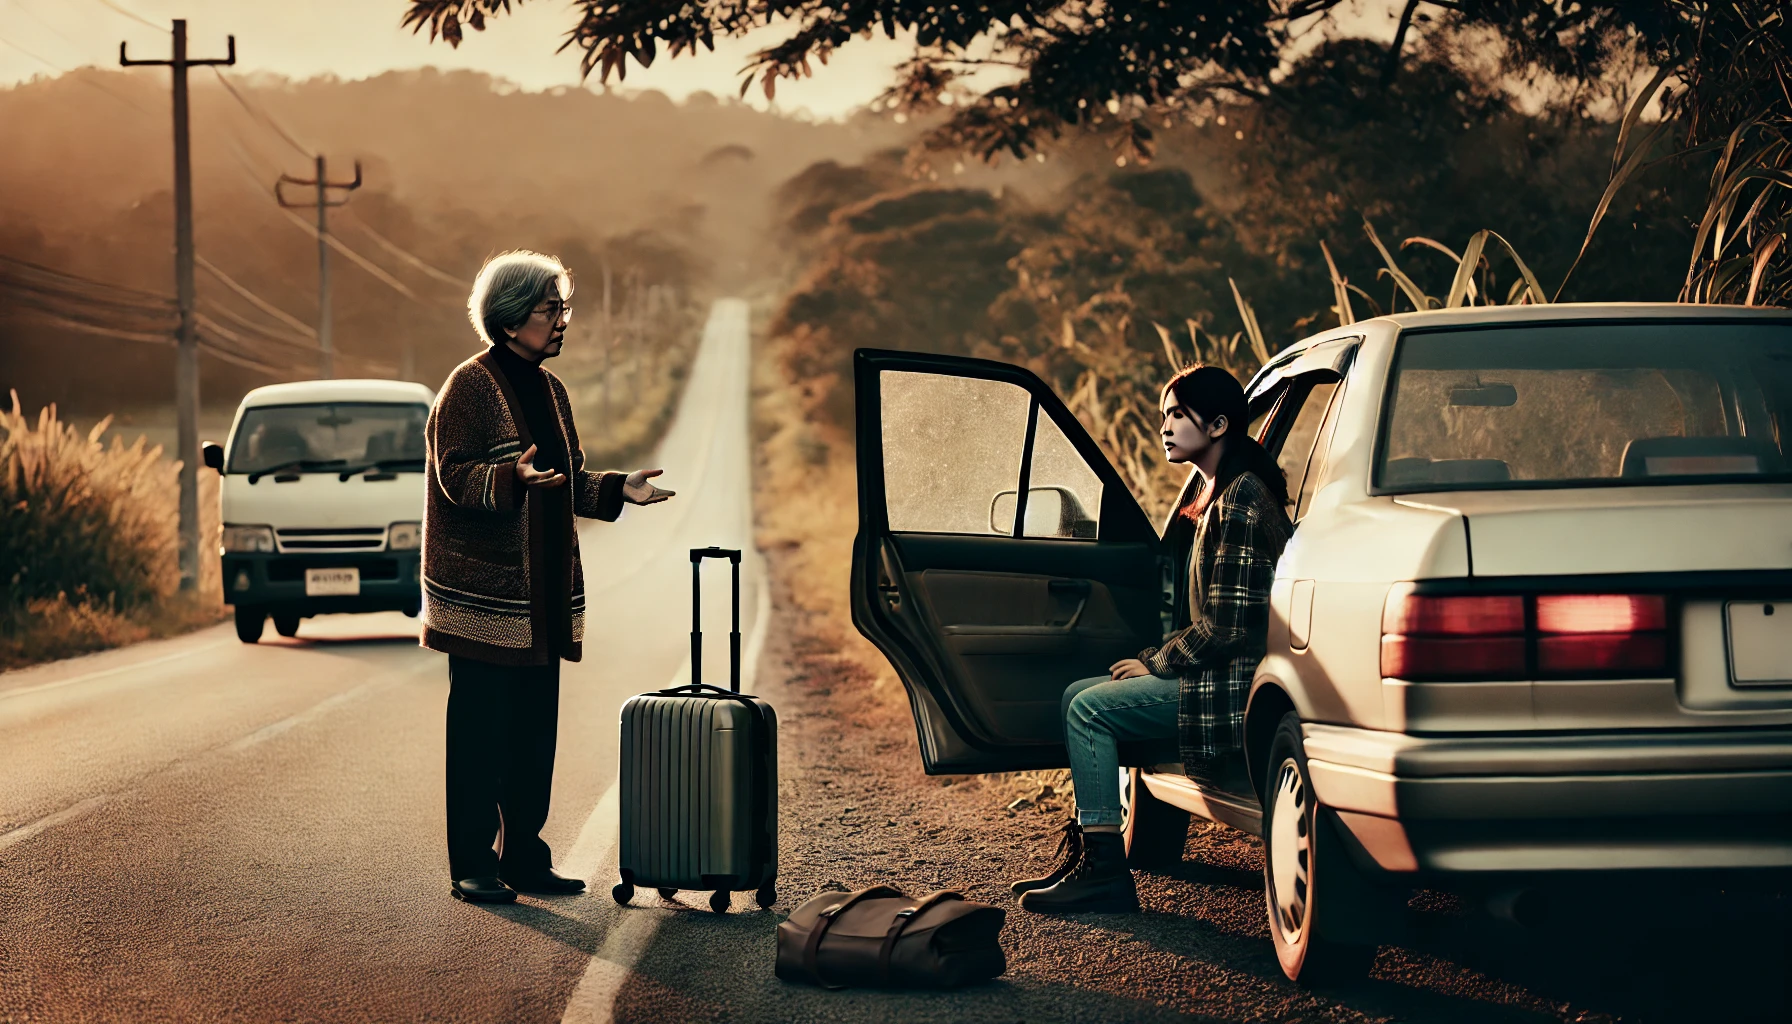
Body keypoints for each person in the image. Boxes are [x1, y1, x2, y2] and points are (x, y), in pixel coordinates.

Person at [423, 250, 675, 904]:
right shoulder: (469, 387)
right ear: (510, 320)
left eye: (563, 308)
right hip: (484, 599)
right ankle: (472, 864)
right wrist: (510, 480)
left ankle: (525, 860)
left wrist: (620, 489)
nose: (562, 321)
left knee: (534, 741)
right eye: (549, 310)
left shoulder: (551, 391)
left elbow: (567, 482)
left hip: (542, 599)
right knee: (480, 742)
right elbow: (453, 476)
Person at [1013, 364, 1292, 914]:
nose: (1164, 426)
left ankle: (1105, 875)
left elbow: (1229, 626)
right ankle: (1092, 851)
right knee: (1077, 695)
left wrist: (1157, 662)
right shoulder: (1220, 492)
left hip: (1233, 689)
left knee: (1088, 711)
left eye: (1176, 415)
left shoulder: (1239, 500)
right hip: (1218, 676)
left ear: (1216, 425)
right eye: (1164, 414)